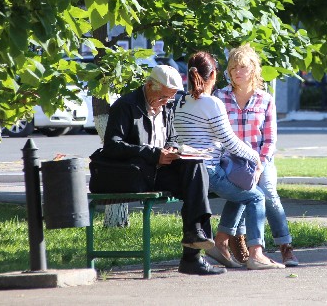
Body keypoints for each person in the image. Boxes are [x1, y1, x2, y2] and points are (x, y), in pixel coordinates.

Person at [91, 65, 224, 276]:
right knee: (194, 186)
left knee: (196, 167)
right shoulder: (126, 106)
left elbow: (171, 137)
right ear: (149, 85)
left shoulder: (167, 106)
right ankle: (192, 254)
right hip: (135, 174)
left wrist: (172, 149)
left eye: (170, 98)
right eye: (163, 97)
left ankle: (195, 235)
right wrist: (154, 154)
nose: (166, 102)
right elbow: (112, 146)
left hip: (158, 172)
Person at [174, 51, 285, 270]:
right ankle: (256, 254)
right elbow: (230, 141)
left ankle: (221, 242)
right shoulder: (212, 103)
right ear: (213, 75)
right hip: (209, 171)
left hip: (188, 172)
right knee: (256, 196)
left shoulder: (182, 102)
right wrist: (256, 158)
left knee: (242, 189)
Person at [213, 44, 299, 267]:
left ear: (253, 69)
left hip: (260, 159)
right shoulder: (220, 97)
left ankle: (285, 246)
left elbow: (269, 140)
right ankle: (237, 243)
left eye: (242, 67)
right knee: (245, 189)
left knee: (267, 191)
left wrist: (259, 164)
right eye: (233, 68)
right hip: (230, 161)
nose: (237, 72)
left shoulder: (265, 99)